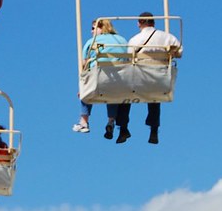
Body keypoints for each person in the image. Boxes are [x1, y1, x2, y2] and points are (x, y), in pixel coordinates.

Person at [121, 12, 183, 145]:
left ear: (139, 23)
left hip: (139, 78)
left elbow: (128, 58)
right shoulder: (167, 37)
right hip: (160, 77)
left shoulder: (134, 40)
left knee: (124, 96)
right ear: (153, 23)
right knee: (155, 97)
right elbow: (179, 52)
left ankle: (123, 127)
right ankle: (154, 129)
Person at [78, 18, 131, 143]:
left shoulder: (93, 42)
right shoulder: (122, 40)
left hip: (98, 78)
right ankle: (111, 120)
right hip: (120, 79)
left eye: (93, 28)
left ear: (101, 28)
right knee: (111, 91)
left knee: (86, 86)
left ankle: (84, 121)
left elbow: (84, 64)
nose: (91, 32)